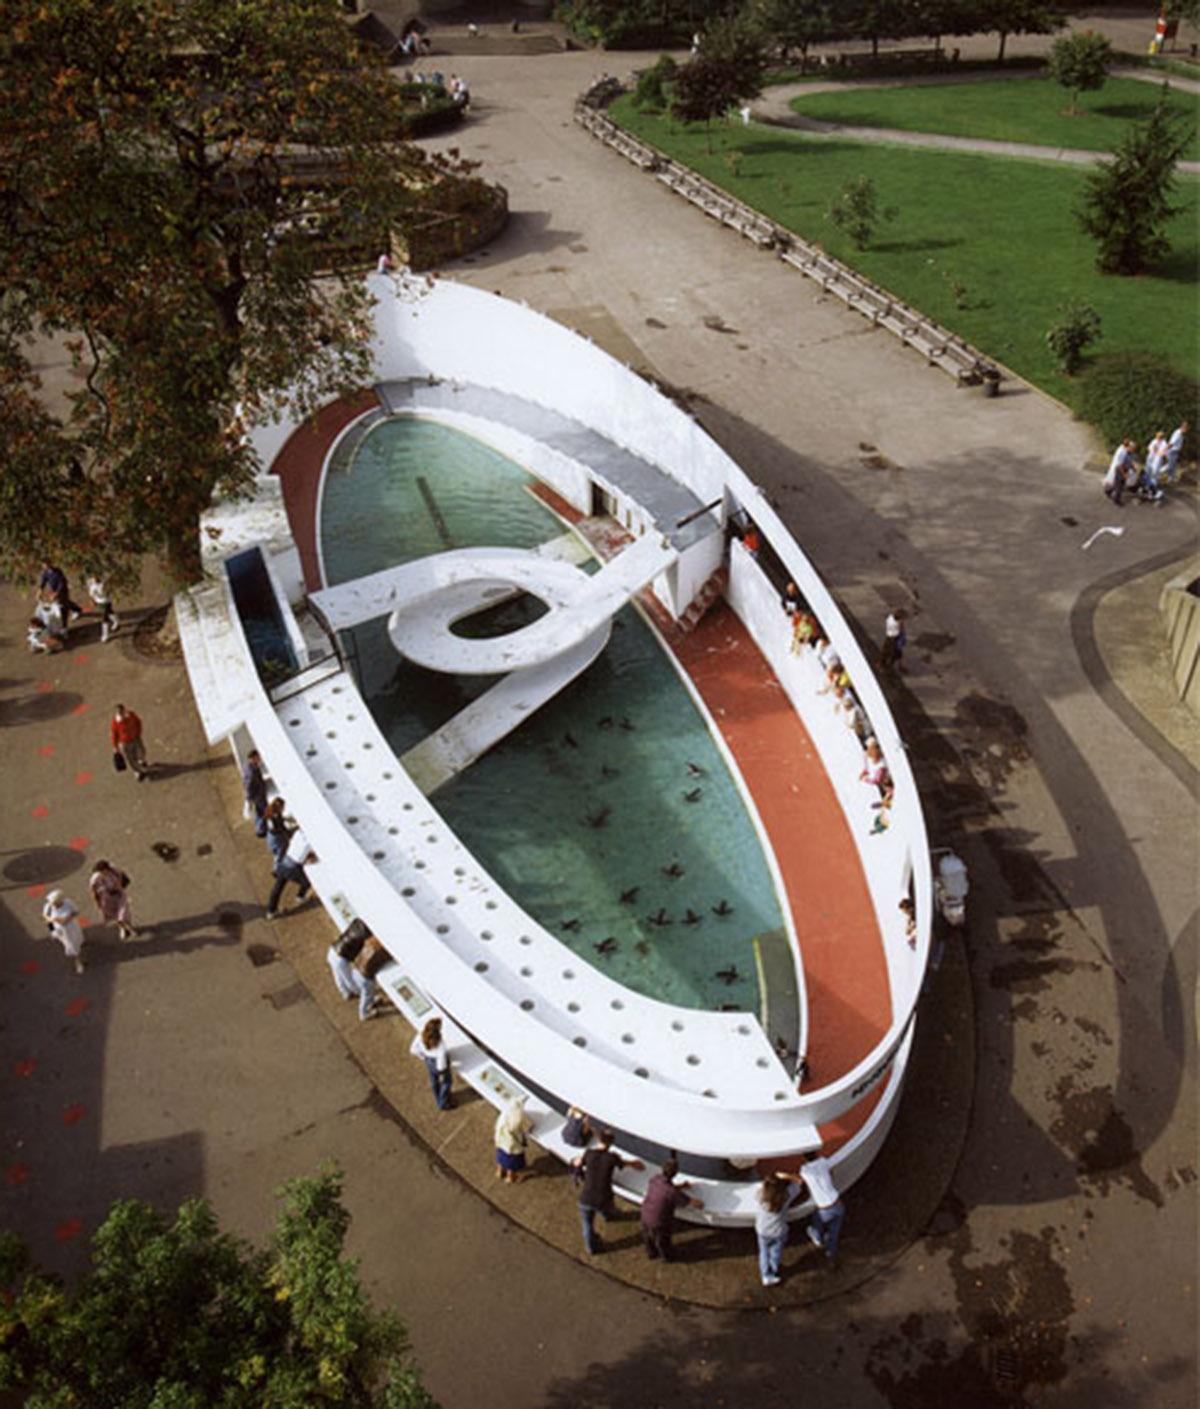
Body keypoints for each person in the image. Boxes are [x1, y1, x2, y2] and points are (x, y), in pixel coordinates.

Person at [575, 1129, 644, 1255]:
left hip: (586, 1197)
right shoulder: (612, 1157)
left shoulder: (589, 1153)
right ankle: (608, 1217)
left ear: (599, 1140)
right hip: (603, 1197)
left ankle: (591, 1249)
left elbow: (579, 1163)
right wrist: (634, 1163)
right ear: (611, 1143)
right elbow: (622, 1163)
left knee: (587, 1225)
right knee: (606, 1207)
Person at [640, 1158, 704, 1261]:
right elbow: (690, 1202)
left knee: (648, 1237)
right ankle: (668, 1258)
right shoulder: (672, 1192)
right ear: (675, 1173)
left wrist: (681, 1186)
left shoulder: (655, 1179)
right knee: (663, 1241)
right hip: (659, 1221)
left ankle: (651, 1253)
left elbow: (665, 1189)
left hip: (645, 1214)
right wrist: (700, 1203)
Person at [755, 1171, 805, 1286]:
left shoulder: (761, 1196)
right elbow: (799, 1182)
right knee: (775, 1253)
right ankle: (773, 1272)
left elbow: (763, 1185)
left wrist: (775, 1176)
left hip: (762, 1230)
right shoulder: (786, 1196)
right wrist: (787, 1175)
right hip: (778, 1231)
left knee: (763, 1252)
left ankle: (765, 1275)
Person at [326, 920, 380, 1021]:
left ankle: (345, 993)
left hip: (332, 950)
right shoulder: (366, 935)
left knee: (338, 976)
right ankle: (364, 1004)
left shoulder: (356, 923)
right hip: (341, 959)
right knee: (350, 980)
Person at [801, 1151, 845, 1259]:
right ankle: (830, 1251)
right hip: (838, 1204)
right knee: (834, 1231)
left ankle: (818, 1238)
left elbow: (801, 1181)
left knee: (817, 1222)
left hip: (824, 1210)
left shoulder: (805, 1170)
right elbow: (830, 1171)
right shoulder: (823, 1162)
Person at [265, 827, 315, 918]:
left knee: (277, 888)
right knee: (307, 882)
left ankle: (271, 911)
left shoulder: (298, 833)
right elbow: (309, 856)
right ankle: (300, 897)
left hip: (284, 861)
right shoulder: (310, 842)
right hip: (293, 867)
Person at [410, 1016, 453, 1109]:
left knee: (434, 1081)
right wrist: (442, 1070)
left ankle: (438, 1097)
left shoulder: (420, 1037)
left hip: (429, 1061)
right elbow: (441, 1063)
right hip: (438, 1063)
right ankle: (442, 1103)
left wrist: (423, 1057)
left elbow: (413, 1050)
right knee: (447, 1082)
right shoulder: (440, 1044)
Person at [88, 859, 136, 940]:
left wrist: (119, 884)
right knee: (115, 914)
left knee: (124, 913)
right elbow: (93, 891)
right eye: (103, 871)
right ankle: (122, 928)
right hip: (107, 898)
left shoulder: (112, 868)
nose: (105, 873)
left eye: (105, 871)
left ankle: (130, 928)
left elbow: (120, 873)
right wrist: (97, 903)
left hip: (119, 894)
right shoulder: (95, 878)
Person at [42, 890, 86, 975]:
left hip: (72, 927)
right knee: (72, 945)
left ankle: (79, 956)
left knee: (77, 940)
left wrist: (68, 918)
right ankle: (78, 961)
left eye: (56, 903)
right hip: (61, 931)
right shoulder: (49, 906)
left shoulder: (68, 903)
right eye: (53, 903)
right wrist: (52, 924)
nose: (54, 905)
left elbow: (76, 912)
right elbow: (46, 917)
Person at [494, 1097, 532, 1184]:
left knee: (501, 1159)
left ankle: (499, 1172)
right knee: (512, 1165)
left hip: (501, 1141)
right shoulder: (519, 1117)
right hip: (512, 1146)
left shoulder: (505, 1115)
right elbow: (527, 1127)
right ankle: (510, 1177)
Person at [36, 561, 82, 629]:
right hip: (55, 590)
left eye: (46, 564)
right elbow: (43, 581)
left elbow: (62, 583)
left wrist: (56, 593)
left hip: (62, 590)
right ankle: (77, 609)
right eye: (44, 565)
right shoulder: (45, 572)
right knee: (65, 602)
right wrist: (40, 590)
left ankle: (64, 627)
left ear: (50, 564)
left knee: (63, 605)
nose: (45, 566)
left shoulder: (57, 572)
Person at [110, 703, 150, 780]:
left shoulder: (131, 715)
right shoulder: (115, 722)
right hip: (125, 743)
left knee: (141, 751)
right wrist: (115, 747)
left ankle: (141, 761)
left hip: (135, 738)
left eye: (121, 711)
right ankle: (138, 772)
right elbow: (114, 735)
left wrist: (138, 733)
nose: (120, 713)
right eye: (119, 712)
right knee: (131, 759)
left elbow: (138, 722)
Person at [242, 749, 269, 837]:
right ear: (253, 758)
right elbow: (249, 785)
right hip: (258, 795)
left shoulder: (247, 766)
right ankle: (261, 830)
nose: (259, 759)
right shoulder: (252, 771)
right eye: (258, 758)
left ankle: (259, 828)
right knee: (263, 812)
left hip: (256, 795)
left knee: (259, 812)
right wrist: (249, 798)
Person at [1102, 438, 1138, 506]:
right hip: (1120, 471)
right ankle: (1116, 500)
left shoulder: (1127, 452)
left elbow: (1129, 462)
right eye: (1133, 448)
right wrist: (1124, 474)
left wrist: (1132, 467)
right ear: (1129, 447)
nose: (1134, 450)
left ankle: (1108, 491)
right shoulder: (1123, 453)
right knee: (1119, 486)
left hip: (1124, 470)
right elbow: (1119, 465)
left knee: (1118, 484)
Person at [86, 575, 119, 642]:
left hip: (106, 601)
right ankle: (116, 621)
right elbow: (91, 594)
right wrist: (92, 601)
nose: (95, 579)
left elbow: (111, 589)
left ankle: (105, 635)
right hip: (98, 601)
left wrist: (114, 596)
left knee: (104, 617)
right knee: (109, 612)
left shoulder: (105, 582)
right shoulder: (92, 584)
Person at [263, 795, 292, 864]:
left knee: (278, 853)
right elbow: (277, 828)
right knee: (280, 853)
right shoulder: (274, 817)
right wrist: (287, 834)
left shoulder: (272, 812)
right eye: (282, 807)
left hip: (272, 837)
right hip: (276, 838)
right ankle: (278, 869)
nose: (283, 808)